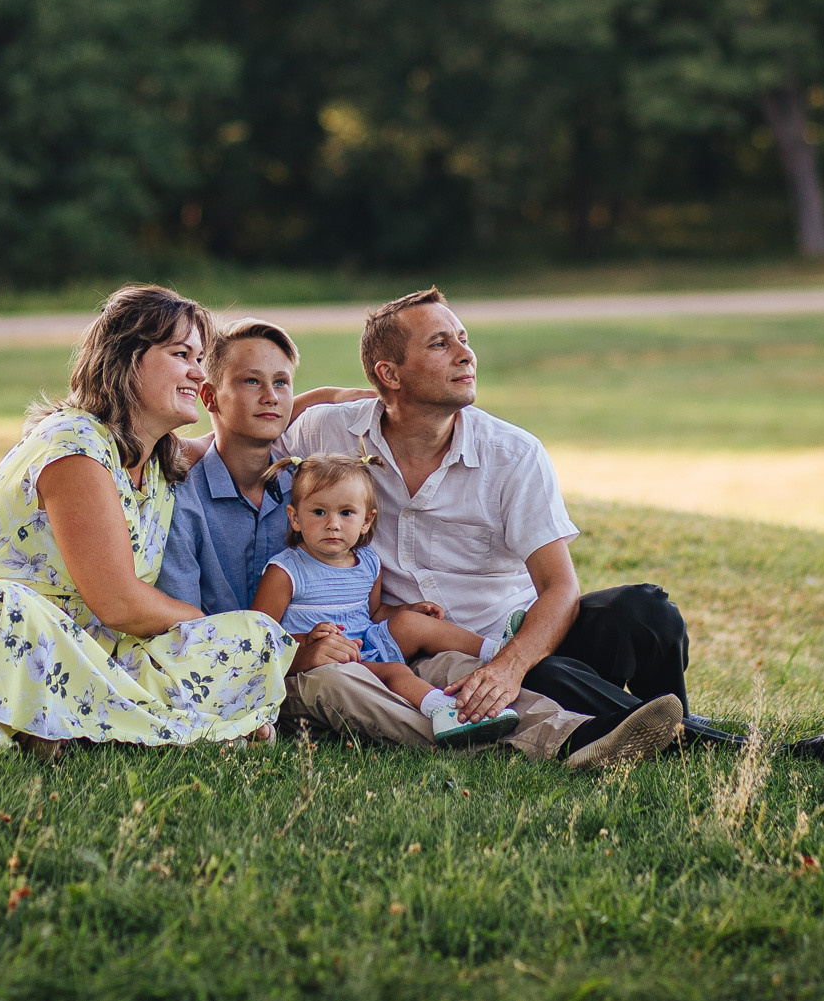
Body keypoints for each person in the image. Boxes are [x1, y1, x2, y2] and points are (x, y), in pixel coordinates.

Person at [277, 288, 824, 767]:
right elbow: (277, 418)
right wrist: (193, 447)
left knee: (647, 610)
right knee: (557, 678)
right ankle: (729, 751)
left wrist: (509, 666)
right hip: (433, 652)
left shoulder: (513, 453)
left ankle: (670, 725)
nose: (465, 353)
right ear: (391, 373)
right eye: (440, 343)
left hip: (516, 633)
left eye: (464, 338)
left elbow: (560, 588)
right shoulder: (334, 433)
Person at [0, 285, 290, 756]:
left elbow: (250, 426)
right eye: (181, 354)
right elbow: (119, 604)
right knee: (8, 605)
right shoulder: (75, 446)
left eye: (200, 357)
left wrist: (380, 402)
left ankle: (96, 728)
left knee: (258, 637)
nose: (198, 371)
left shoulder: (160, 458)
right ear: (128, 358)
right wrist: (200, 624)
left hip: (99, 658)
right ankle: (177, 727)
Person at [161, 318, 590, 761]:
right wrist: (301, 654)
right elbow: (184, 630)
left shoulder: (308, 483)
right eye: (252, 382)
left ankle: (579, 734)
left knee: (448, 666)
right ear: (210, 396)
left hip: (360, 646)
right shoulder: (182, 496)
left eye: (281, 383)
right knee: (343, 678)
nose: (271, 396)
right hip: (271, 676)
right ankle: (493, 744)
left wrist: (377, 398)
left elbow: (318, 401)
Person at [252, 453, 522, 745]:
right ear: (295, 517)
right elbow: (256, 640)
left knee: (410, 622)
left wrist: (407, 610)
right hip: (327, 664)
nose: (333, 524)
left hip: (366, 645)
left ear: (367, 521)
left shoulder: (367, 562)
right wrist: (306, 639)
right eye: (319, 512)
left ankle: (496, 649)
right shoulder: (286, 571)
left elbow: (375, 611)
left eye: (346, 513)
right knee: (395, 671)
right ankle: (441, 710)